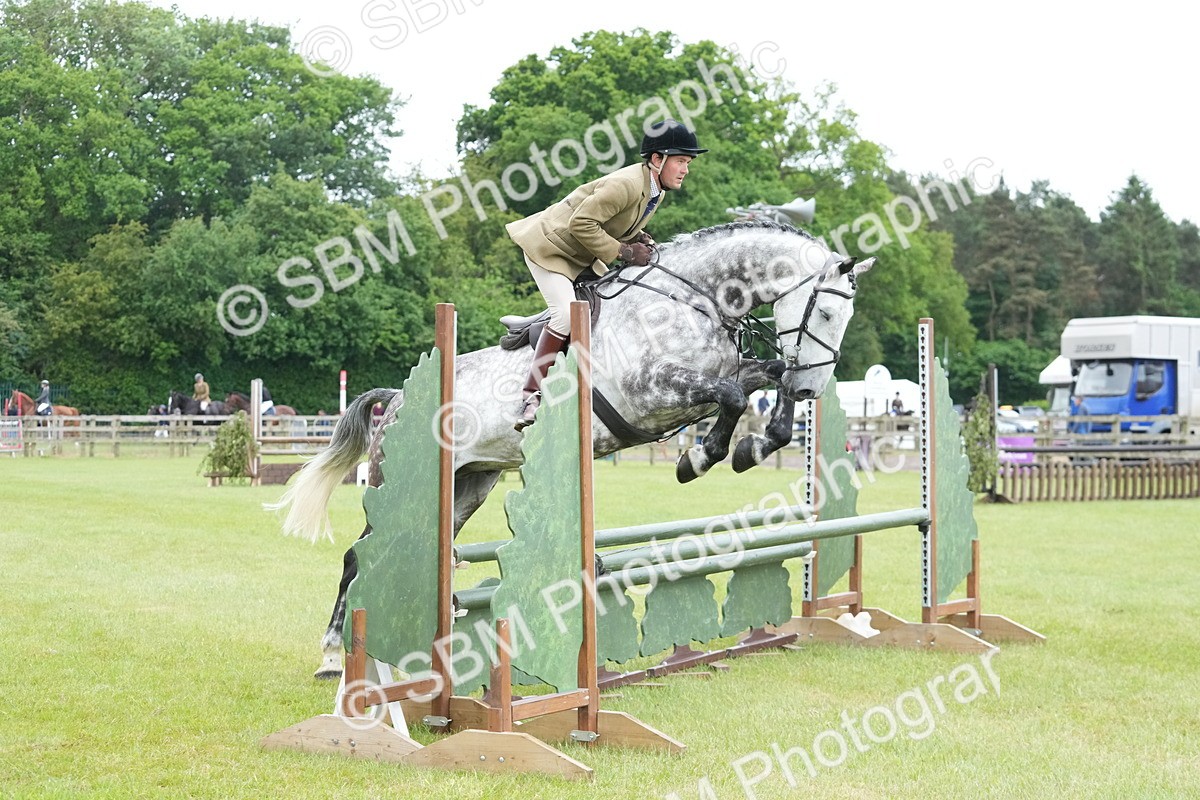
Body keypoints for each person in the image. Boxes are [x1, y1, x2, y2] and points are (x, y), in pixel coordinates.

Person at [505, 119, 707, 430]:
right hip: (551, 248)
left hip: (581, 253)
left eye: (688, 162)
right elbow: (580, 223)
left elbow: (616, 222)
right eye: (681, 161)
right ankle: (531, 396)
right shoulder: (625, 184)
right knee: (565, 317)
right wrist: (625, 252)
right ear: (657, 159)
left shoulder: (655, 189)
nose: (685, 169)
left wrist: (636, 236)